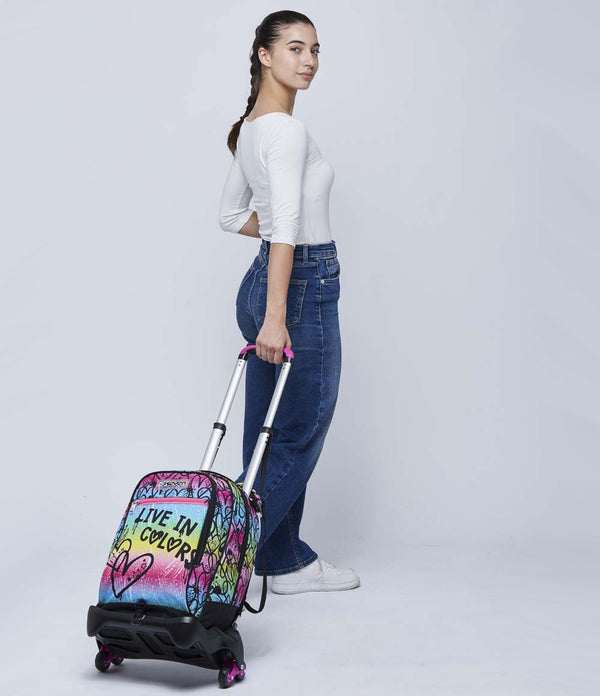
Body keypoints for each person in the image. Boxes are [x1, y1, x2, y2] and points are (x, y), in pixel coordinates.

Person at [218, 11, 359, 595]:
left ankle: (283, 563)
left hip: (266, 283)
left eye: (316, 50)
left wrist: (281, 236)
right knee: (301, 430)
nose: (309, 61)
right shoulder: (286, 131)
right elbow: (287, 230)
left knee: (268, 435)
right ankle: (216, 563)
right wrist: (276, 315)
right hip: (299, 288)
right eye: (295, 48)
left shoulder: (254, 127)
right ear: (264, 55)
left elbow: (232, 216)